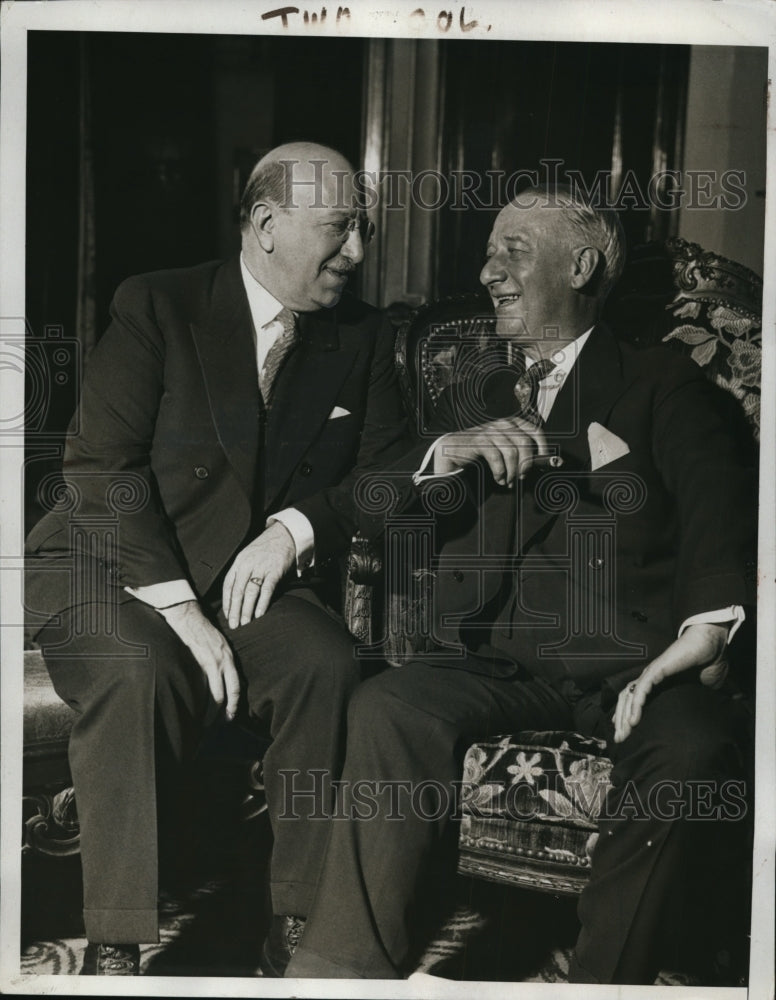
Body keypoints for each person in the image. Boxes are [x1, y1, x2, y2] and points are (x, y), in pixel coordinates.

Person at [285, 186, 757, 983]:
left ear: (581, 265)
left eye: (513, 251)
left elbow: (722, 509)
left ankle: (604, 980)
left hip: (624, 663)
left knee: (693, 746)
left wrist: (702, 634)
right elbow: (375, 501)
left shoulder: (660, 382)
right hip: (489, 655)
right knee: (387, 706)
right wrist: (443, 455)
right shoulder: (464, 387)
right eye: (488, 253)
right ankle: (339, 969)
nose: (489, 271)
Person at [24, 142, 408, 976]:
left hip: (245, 577)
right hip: (107, 564)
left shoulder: (363, 337)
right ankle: (119, 940)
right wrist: (180, 607)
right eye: (339, 229)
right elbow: (102, 473)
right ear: (267, 226)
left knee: (325, 661)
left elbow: (383, 478)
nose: (357, 252)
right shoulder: (158, 307)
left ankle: (297, 922)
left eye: (363, 229)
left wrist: (296, 528)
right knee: (138, 668)